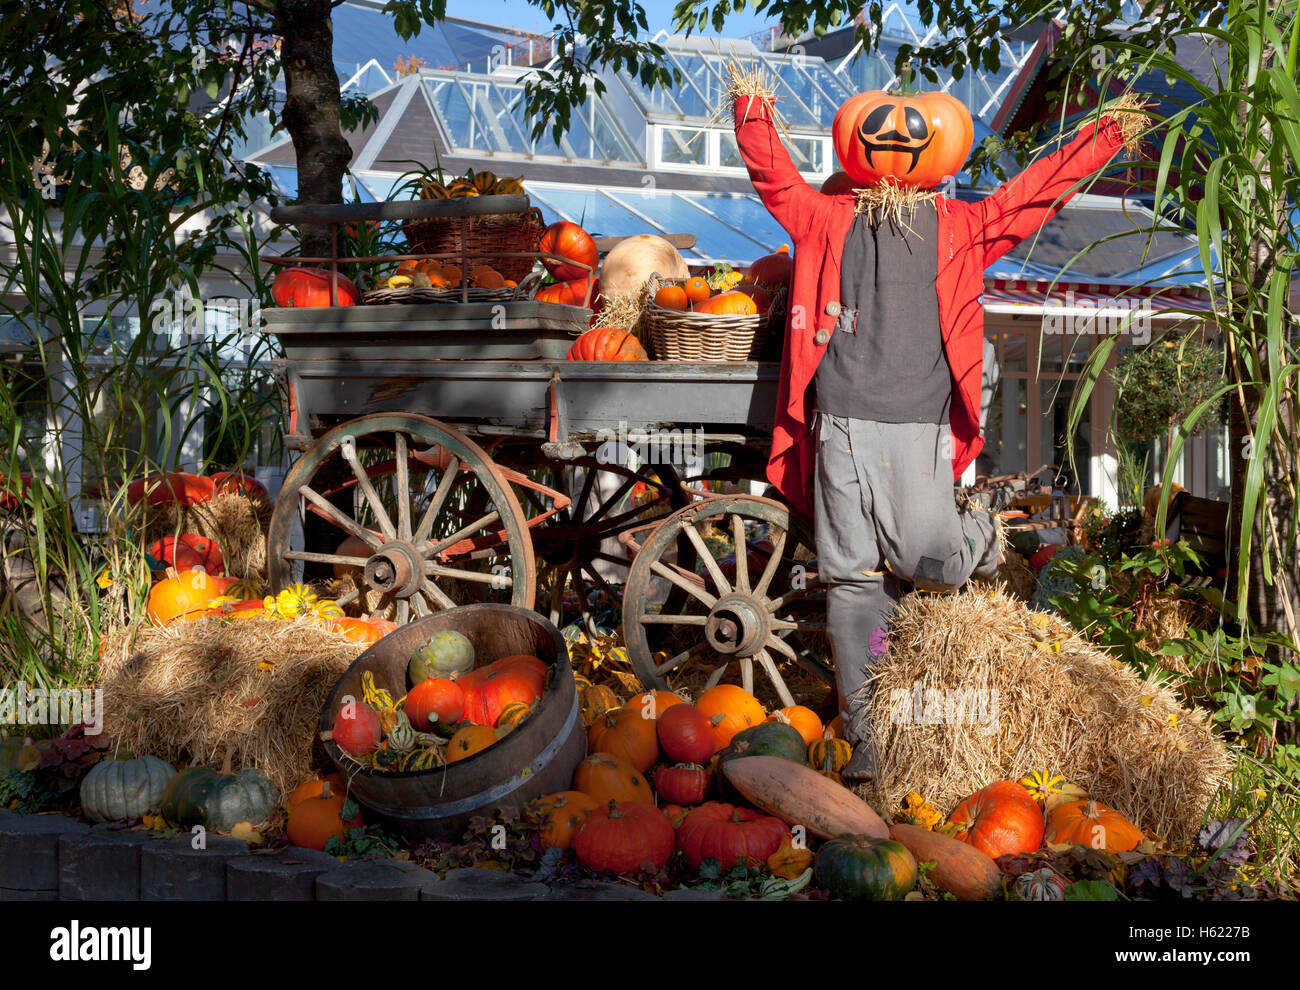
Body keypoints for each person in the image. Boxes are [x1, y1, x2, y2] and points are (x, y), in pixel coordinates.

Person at [732, 87, 1145, 782]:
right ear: (854, 146)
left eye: (909, 129)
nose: (895, 136)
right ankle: (868, 742)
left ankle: (980, 535)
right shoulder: (825, 218)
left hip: (915, 421)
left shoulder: (963, 224)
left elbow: (1035, 194)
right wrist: (751, 107)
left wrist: (1105, 136)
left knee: (930, 557)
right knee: (851, 581)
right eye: (879, 128)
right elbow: (774, 175)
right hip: (838, 422)